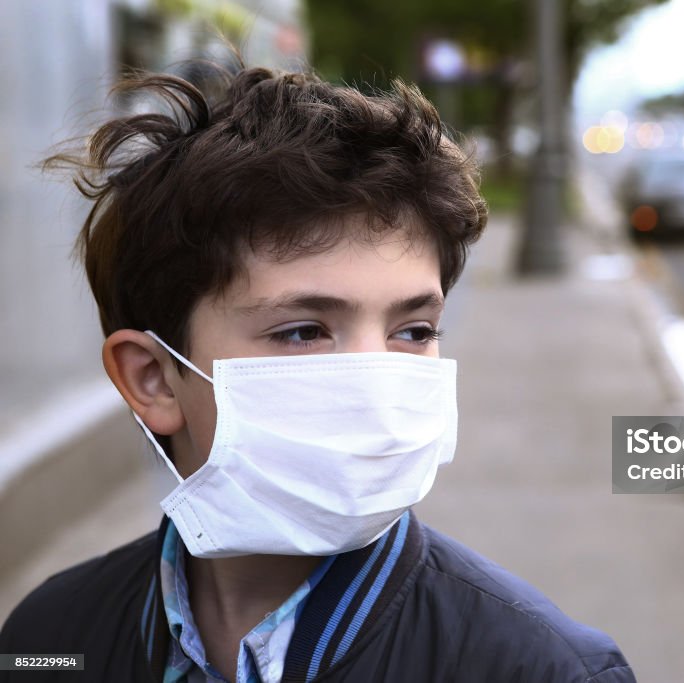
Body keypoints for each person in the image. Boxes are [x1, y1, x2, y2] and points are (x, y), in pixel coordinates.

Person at [0, 64, 635, 682]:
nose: (374, 384)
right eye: (304, 331)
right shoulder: (46, 642)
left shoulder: (541, 667)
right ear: (154, 380)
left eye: (413, 331)